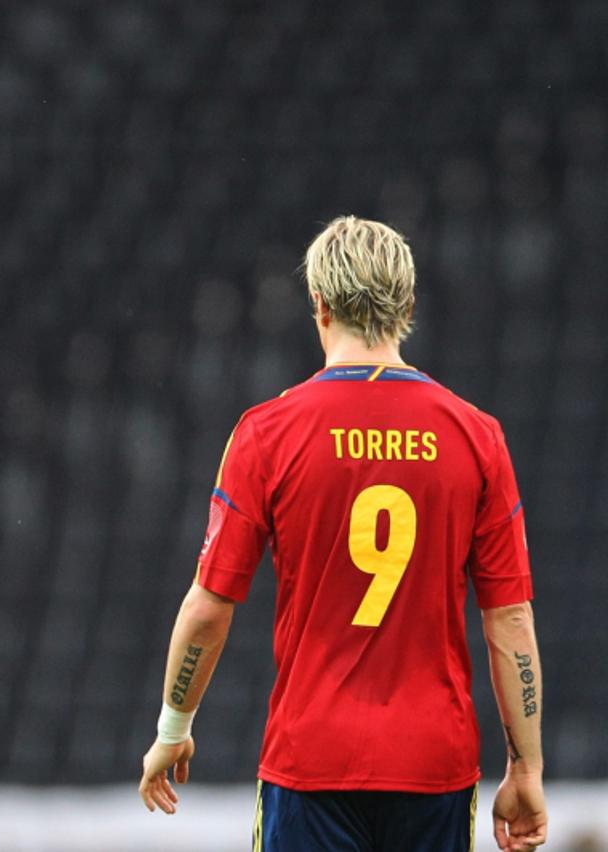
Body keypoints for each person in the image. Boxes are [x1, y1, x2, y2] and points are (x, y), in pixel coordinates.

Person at [138, 216, 547, 852]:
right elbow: (510, 619)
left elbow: (209, 606)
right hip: (433, 764)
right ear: (407, 307)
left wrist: (173, 728)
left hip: (311, 760)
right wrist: (525, 767)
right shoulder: (477, 436)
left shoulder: (267, 432)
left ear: (319, 305)